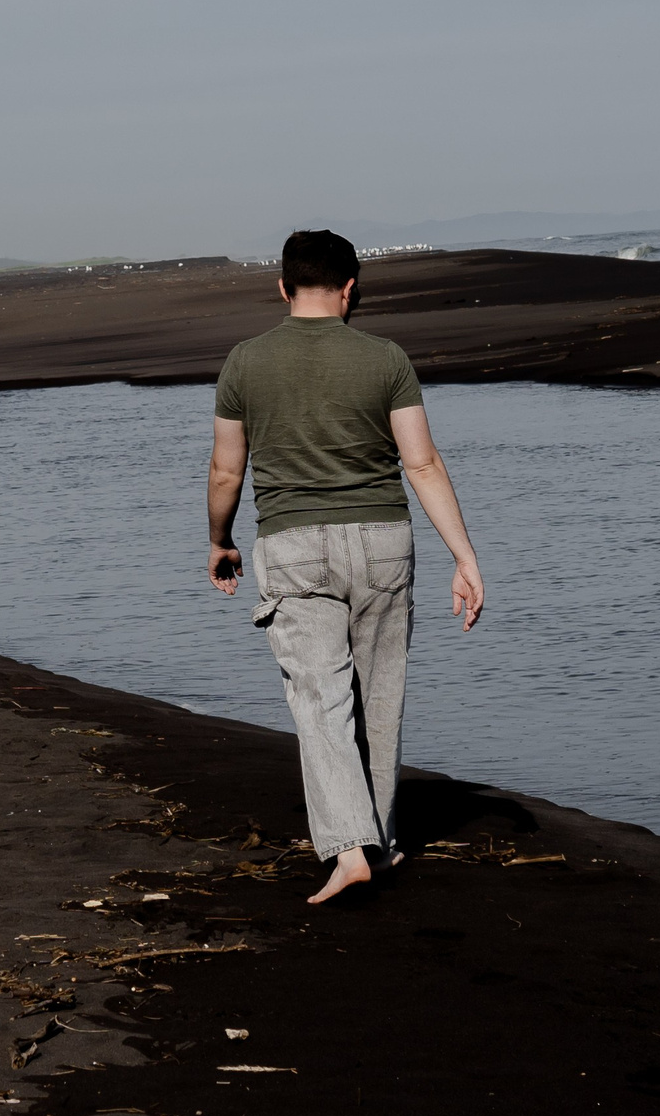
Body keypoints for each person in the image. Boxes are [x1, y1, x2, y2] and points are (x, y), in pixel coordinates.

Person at [207, 229, 485, 904]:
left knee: (321, 701)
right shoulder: (386, 357)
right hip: (385, 540)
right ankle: (380, 841)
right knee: (379, 699)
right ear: (350, 287)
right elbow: (421, 462)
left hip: (293, 545)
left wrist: (220, 537)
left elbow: (226, 468)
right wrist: (465, 556)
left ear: (283, 286)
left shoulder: (245, 362)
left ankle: (349, 848)